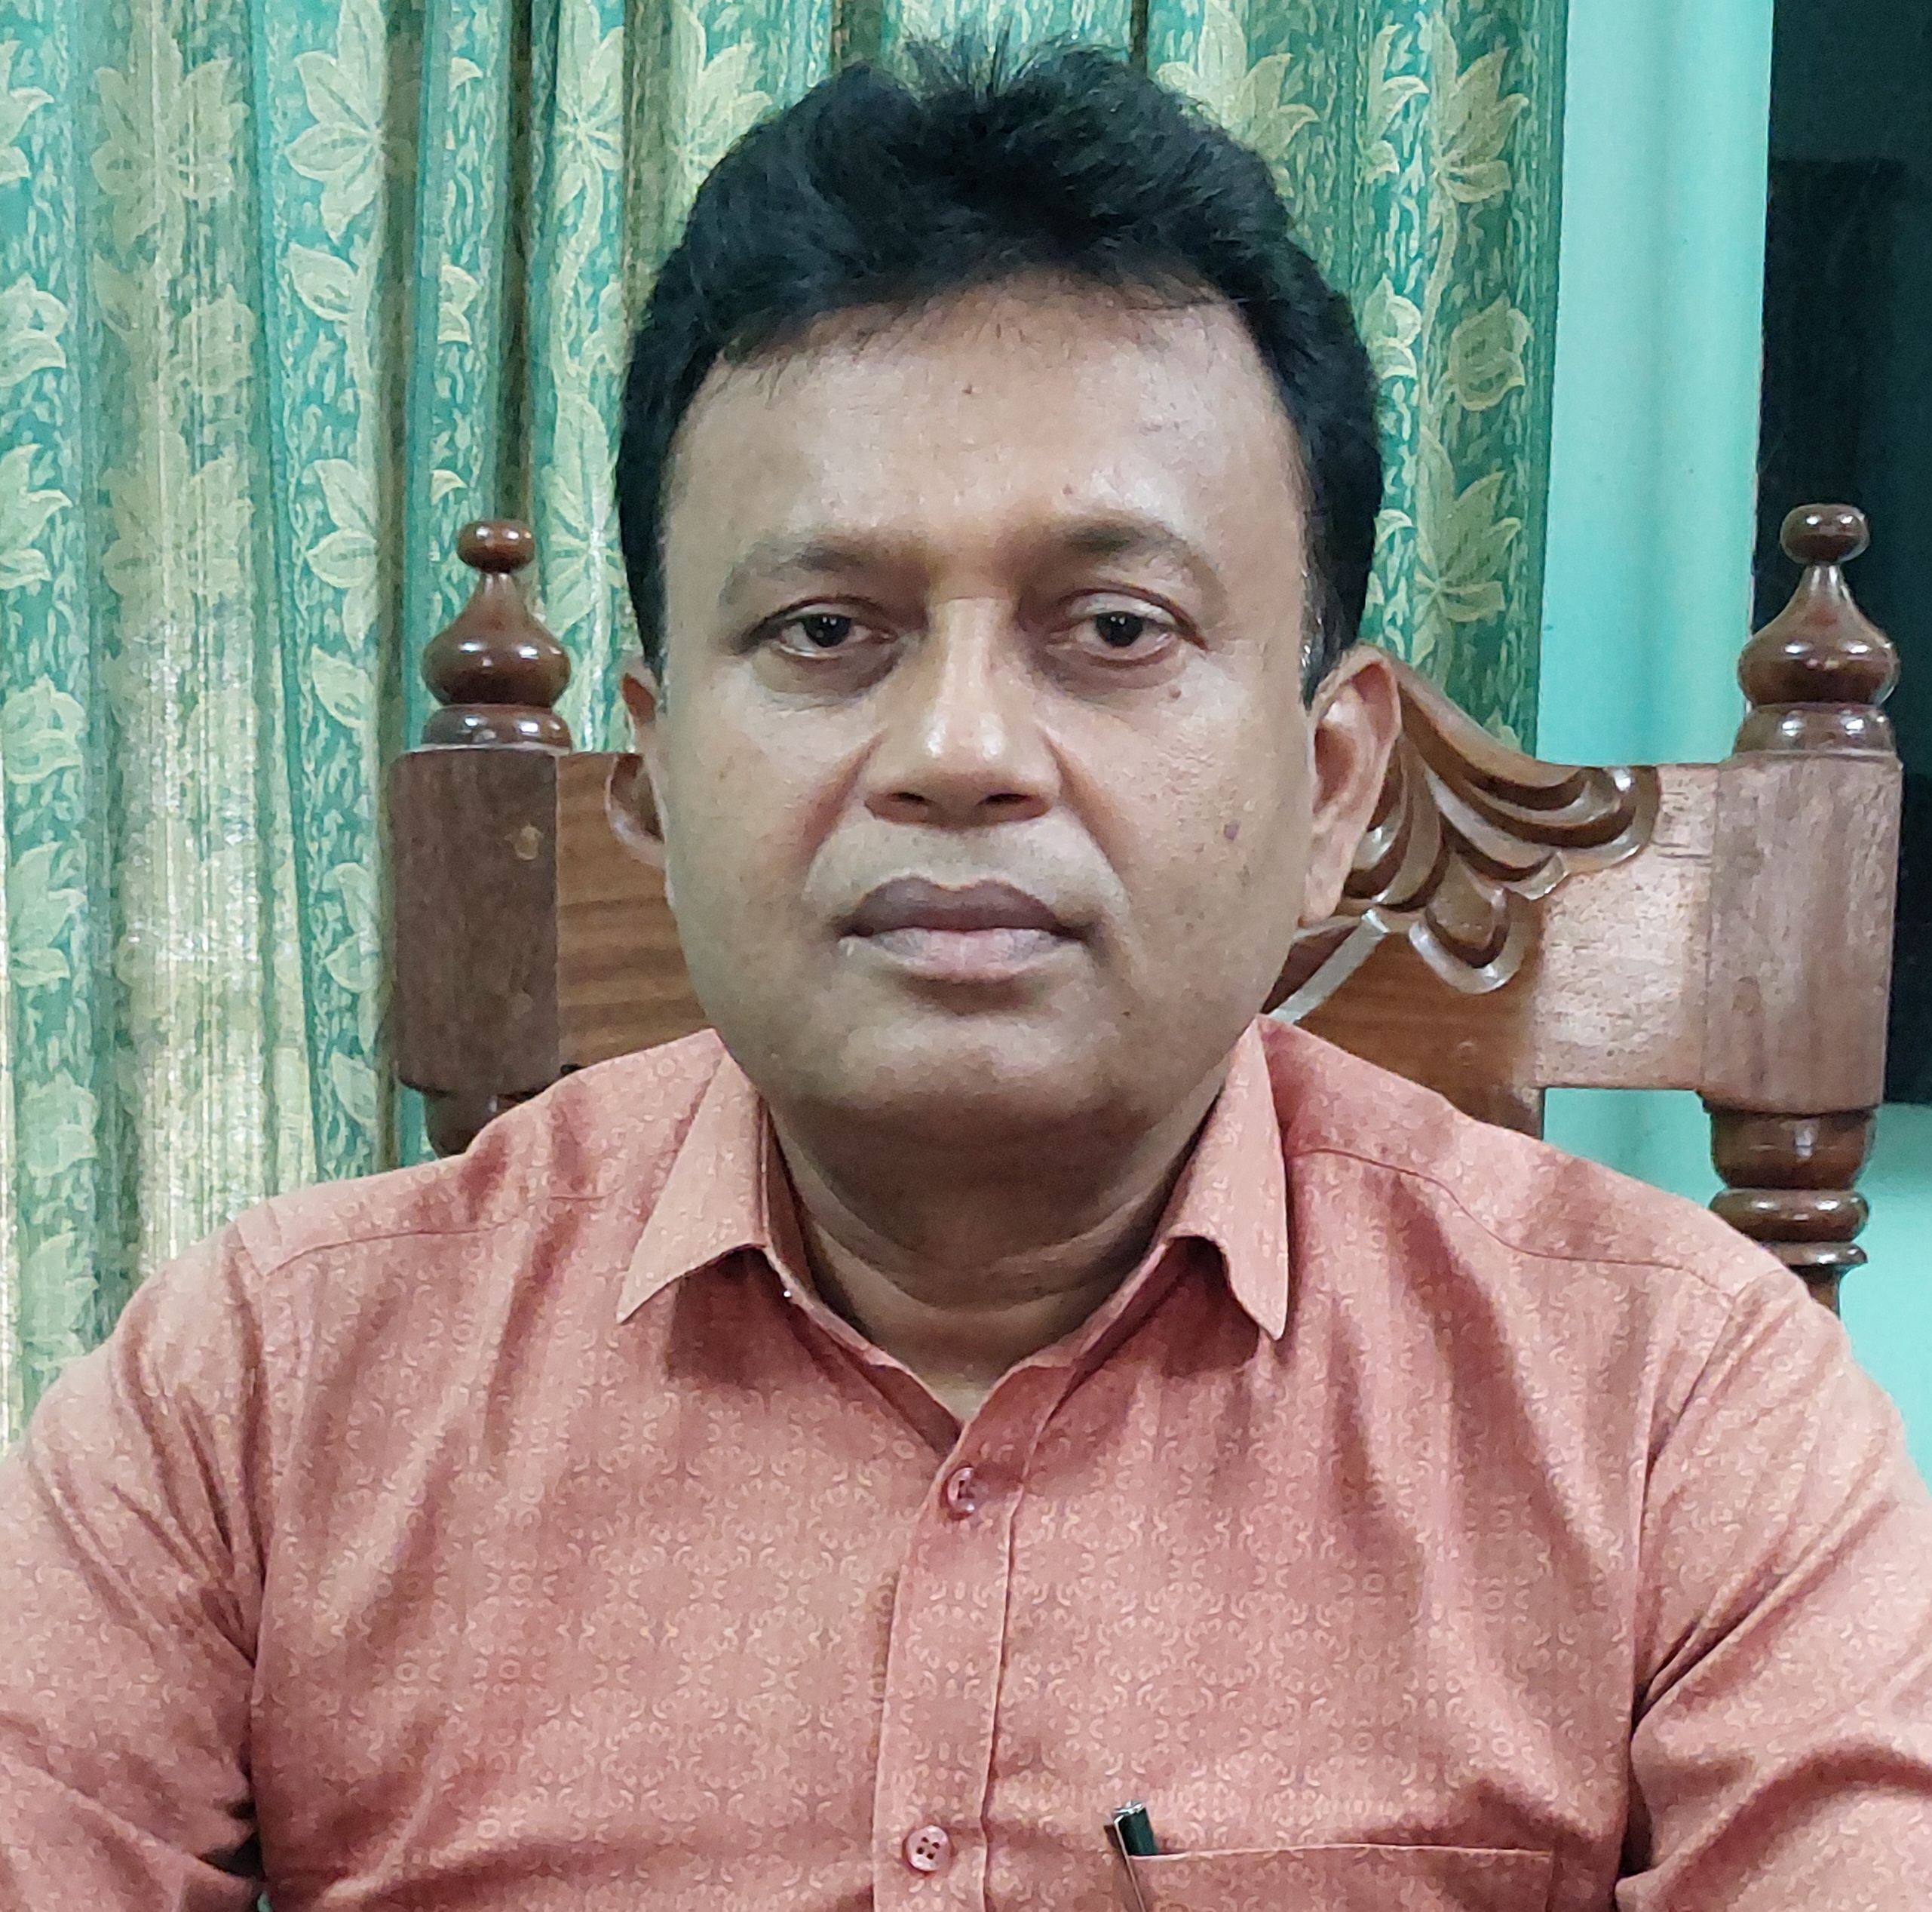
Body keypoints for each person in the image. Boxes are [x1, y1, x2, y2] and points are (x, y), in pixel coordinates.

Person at [2, 41, 1929, 1912]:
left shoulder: (1679, 1414)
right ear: (657, 780)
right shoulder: (258, 1398)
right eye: (826, 628)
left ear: (1333, 785)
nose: (960, 749)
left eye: (1116, 625)